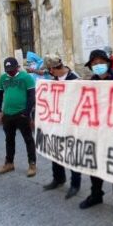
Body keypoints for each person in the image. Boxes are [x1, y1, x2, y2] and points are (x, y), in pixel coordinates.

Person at [79, 49, 113, 218]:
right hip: (96, 131)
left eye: (101, 63)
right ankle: (96, 195)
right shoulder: (92, 82)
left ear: (107, 63)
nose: (98, 66)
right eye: (94, 64)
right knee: (95, 164)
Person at [41, 54, 82, 198]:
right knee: (55, 150)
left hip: (72, 124)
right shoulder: (53, 81)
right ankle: (58, 178)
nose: (48, 72)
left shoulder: (75, 79)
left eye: (48, 69)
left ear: (52, 69)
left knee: (72, 153)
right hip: (56, 122)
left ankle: (75, 184)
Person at [0, 57, 37, 177]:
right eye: (7, 70)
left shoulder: (26, 77)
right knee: (9, 139)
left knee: (28, 139)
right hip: (7, 114)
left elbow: (31, 96)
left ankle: (32, 164)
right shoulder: (3, 78)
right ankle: (9, 163)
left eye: (12, 69)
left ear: (17, 67)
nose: (10, 72)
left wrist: (26, 113)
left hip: (21, 114)